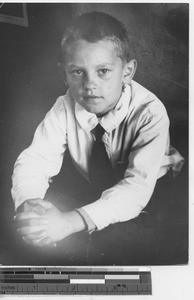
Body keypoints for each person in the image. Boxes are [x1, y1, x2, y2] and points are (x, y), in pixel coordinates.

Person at [12, 11, 184, 249]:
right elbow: (35, 159)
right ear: (64, 74)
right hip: (92, 183)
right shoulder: (64, 106)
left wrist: (69, 222)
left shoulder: (150, 112)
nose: (90, 84)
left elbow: (135, 189)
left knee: (135, 241)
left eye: (103, 71)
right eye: (78, 72)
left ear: (127, 71)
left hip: (147, 190)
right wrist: (30, 205)